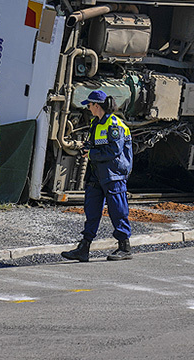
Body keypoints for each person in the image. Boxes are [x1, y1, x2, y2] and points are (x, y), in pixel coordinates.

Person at [60, 90, 135, 263]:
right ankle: (84, 248)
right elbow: (97, 144)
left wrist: (91, 154)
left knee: (118, 210)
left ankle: (124, 247)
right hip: (98, 173)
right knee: (92, 210)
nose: (88, 108)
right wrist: (87, 147)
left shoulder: (114, 124)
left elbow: (114, 151)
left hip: (113, 175)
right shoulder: (96, 123)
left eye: (89, 105)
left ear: (97, 105)